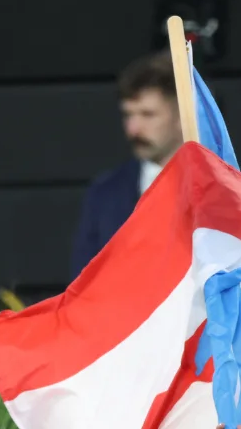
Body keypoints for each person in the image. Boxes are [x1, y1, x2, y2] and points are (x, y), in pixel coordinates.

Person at [70, 52, 183, 279]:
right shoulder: (105, 193)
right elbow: (82, 286)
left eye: (147, 115)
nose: (133, 129)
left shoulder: (225, 191)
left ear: (182, 115)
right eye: (128, 115)